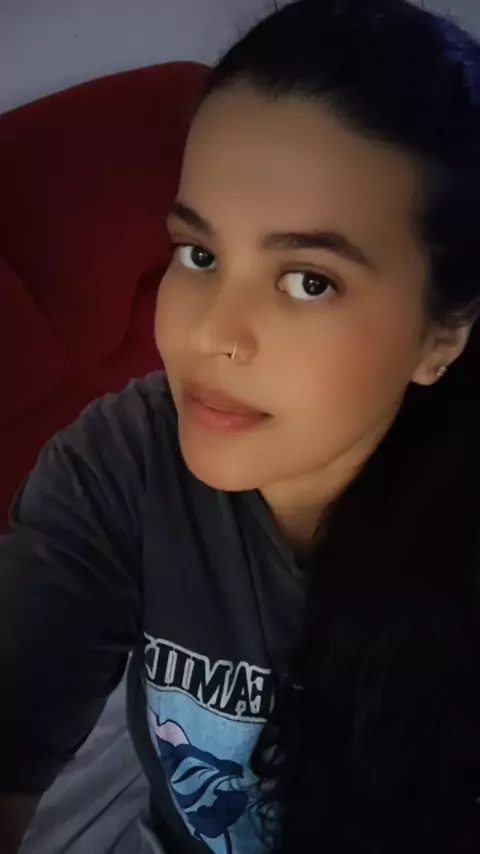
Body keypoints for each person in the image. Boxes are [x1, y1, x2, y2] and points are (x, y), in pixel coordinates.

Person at [2, 0, 480, 851]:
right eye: (200, 254)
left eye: (308, 281)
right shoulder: (124, 460)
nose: (210, 335)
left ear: (441, 334)